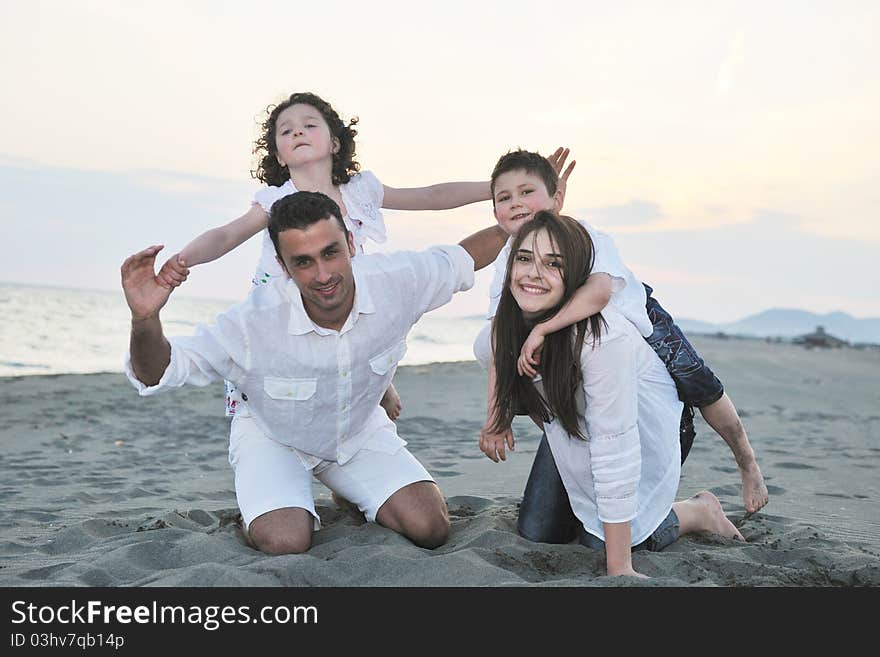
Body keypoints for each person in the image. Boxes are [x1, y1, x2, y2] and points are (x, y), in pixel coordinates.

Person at [122, 191, 506, 555]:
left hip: (356, 428)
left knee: (431, 528)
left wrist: (525, 218)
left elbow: (464, 257)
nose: (323, 274)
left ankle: (347, 490)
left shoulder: (398, 280)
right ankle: (262, 507)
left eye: (331, 253)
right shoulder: (252, 323)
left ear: (351, 245)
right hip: (273, 434)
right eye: (303, 261)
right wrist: (145, 318)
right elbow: (159, 372)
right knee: (287, 540)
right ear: (283, 266)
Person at [157, 91, 495, 423]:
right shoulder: (276, 201)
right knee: (273, 395)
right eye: (286, 131)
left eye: (309, 125)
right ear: (279, 156)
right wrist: (184, 259)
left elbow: (432, 195)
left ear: (335, 143)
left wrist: (496, 188)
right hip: (283, 312)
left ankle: (378, 382)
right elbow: (227, 234)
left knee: (365, 320)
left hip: (339, 299)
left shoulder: (359, 191)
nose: (298, 132)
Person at [475, 149, 768, 516]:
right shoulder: (507, 260)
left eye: (527, 192)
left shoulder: (585, 235)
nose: (516, 204)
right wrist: (495, 415)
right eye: (504, 198)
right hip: (581, 354)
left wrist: (543, 329)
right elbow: (499, 336)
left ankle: (747, 462)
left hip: (637, 319)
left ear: (557, 198)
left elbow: (598, 293)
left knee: (700, 386)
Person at [485, 211, 744, 577]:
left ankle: (698, 511)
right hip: (578, 428)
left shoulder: (603, 337)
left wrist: (619, 568)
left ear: (575, 276)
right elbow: (495, 353)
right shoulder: (506, 327)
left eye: (553, 264)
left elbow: (615, 448)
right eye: (524, 258)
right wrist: (496, 419)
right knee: (537, 533)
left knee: (613, 542)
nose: (533, 274)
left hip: (640, 432)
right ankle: (586, 512)